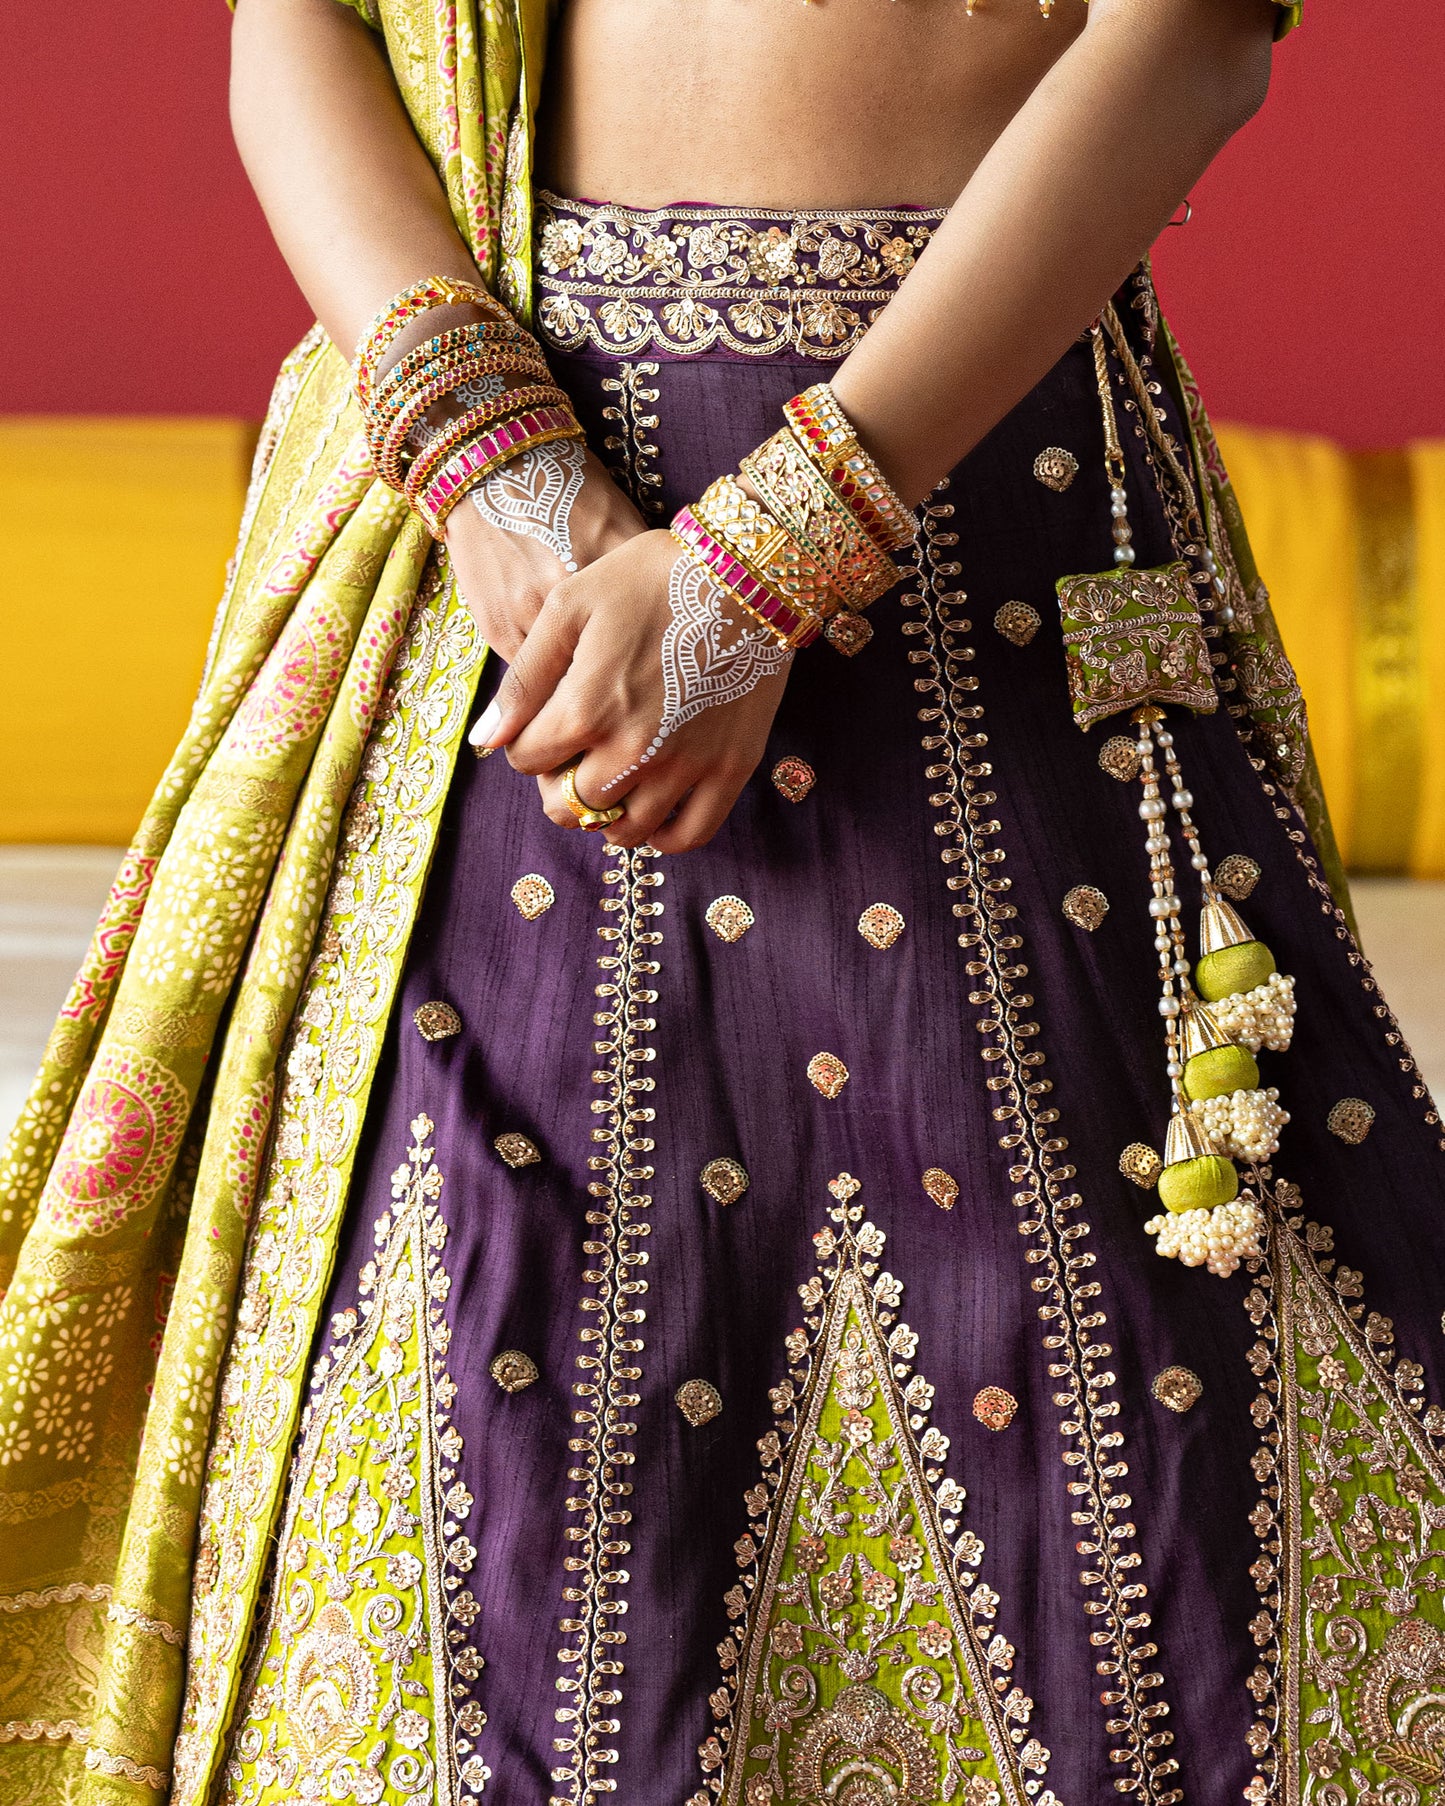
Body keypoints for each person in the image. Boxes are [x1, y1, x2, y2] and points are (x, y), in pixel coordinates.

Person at [5, 0, 1444, 1800]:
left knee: (1134, 1474)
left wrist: (771, 557)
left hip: (965, 525)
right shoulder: (506, 523)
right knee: (476, 1467)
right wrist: (497, 475)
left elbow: (1190, 34)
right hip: (510, 598)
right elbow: (295, 28)